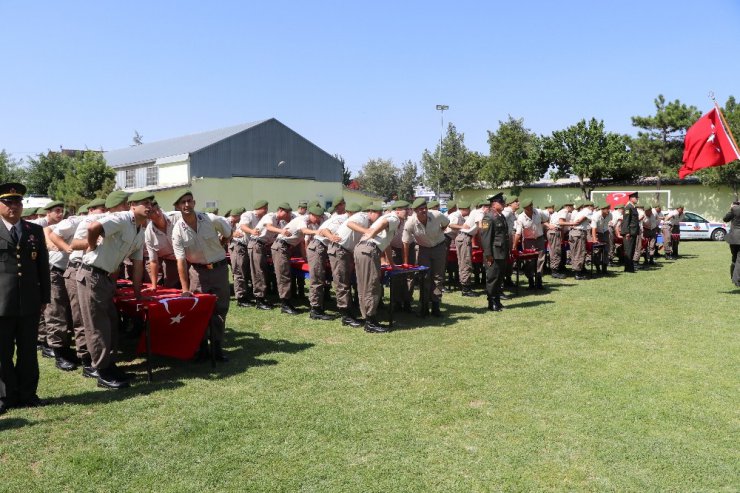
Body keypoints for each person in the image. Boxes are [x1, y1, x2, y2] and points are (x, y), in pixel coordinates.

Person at [76, 191, 152, 389]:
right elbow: (93, 227)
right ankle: (101, 371)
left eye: (151, 203)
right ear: (132, 205)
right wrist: (91, 246)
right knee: (98, 326)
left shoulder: (140, 230)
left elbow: (137, 266)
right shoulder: (121, 219)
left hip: (106, 278)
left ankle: (110, 365)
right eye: (145, 202)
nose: (149, 206)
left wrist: (137, 294)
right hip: (92, 274)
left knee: (111, 324)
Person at [0, 183, 51, 414]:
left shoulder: (34, 231)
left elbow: (42, 267)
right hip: (1, 303)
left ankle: (28, 394)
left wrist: (45, 297)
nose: (14, 206)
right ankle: (6, 397)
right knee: (2, 353)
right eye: (8, 202)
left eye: (18, 202)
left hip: (29, 302)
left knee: (29, 351)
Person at [48, 198, 106, 378]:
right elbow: (50, 233)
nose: (104, 213)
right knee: (58, 311)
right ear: (90, 210)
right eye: (101, 210)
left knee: (77, 315)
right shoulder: (76, 221)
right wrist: (67, 249)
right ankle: (59, 352)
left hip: (75, 270)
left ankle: (83, 356)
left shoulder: (104, 224)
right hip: (58, 269)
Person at [171, 191, 232, 362]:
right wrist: (184, 289)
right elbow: (180, 261)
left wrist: (220, 246)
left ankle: (217, 348)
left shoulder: (210, 219)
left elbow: (228, 233)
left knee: (220, 310)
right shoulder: (177, 231)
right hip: (197, 273)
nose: (187, 205)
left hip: (219, 269)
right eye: (182, 202)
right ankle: (202, 348)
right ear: (177, 207)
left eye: (189, 201)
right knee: (199, 310)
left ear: (194, 202)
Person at [355, 203, 402, 333]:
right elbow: (385, 222)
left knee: (364, 286)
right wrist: (373, 233)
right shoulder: (394, 218)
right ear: (397, 211)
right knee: (371, 285)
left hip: (363, 249)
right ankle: (370, 322)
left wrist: (391, 264)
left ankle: (368, 319)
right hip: (369, 250)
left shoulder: (390, 219)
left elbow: (386, 244)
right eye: (405, 210)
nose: (408, 212)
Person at [322, 203, 368, 327]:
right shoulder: (343, 218)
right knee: (342, 283)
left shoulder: (360, 220)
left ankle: (350, 311)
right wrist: (331, 236)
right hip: (339, 250)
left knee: (346, 282)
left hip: (346, 252)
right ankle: (346, 315)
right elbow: (324, 230)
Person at [403, 198, 450, 317]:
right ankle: (424, 307)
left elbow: (446, 223)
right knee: (425, 277)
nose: (424, 210)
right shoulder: (410, 223)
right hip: (423, 250)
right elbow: (406, 242)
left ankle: (435, 306)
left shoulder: (437, 215)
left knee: (438, 277)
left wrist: (439, 234)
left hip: (439, 247)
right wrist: (405, 261)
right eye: (421, 209)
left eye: (425, 208)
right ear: (415, 211)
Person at [251, 203, 293, 310]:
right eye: (286, 212)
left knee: (264, 272)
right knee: (258, 272)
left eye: (288, 213)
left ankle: (263, 298)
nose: (287, 215)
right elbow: (269, 227)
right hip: (256, 243)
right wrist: (282, 231)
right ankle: (259, 300)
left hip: (263, 246)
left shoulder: (280, 222)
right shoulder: (270, 216)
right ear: (280, 210)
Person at [480, 193, 508, 311]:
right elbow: (486, 238)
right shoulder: (488, 217)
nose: (503, 205)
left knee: (499, 277)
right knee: (492, 278)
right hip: (493, 254)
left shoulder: (501, 216)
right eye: (501, 203)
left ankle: (497, 300)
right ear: (494, 203)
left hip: (501, 252)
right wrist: (488, 255)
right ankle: (491, 302)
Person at [145, 200, 181, 289]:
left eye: (158, 209)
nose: (158, 213)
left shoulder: (177, 217)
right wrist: (154, 285)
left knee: (195, 289)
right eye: (153, 212)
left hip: (189, 258)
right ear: (148, 216)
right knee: (172, 288)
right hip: (171, 261)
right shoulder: (149, 234)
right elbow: (153, 261)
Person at [512, 198, 547, 289]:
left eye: (531, 206)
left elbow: (545, 220)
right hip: (528, 241)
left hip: (539, 238)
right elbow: (518, 233)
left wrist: (547, 227)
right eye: (528, 207)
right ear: (525, 208)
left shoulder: (539, 212)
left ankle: (539, 281)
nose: (531, 208)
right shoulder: (521, 217)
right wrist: (514, 246)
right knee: (529, 261)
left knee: (541, 260)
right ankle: (531, 281)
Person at [569, 200, 593, 280]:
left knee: (574, 252)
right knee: (579, 252)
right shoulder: (587, 211)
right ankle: (578, 273)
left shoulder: (581, 211)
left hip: (574, 232)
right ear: (590, 206)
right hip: (579, 233)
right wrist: (576, 223)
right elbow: (579, 221)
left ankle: (577, 270)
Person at [620, 192, 640, 272]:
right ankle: (628, 268)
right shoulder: (628, 207)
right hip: (629, 232)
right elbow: (626, 221)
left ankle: (630, 267)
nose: (637, 199)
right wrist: (627, 232)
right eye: (636, 198)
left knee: (631, 250)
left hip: (633, 231)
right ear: (631, 198)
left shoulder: (633, 207)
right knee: (628, 250)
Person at [590, 203, 611, 274]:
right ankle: (598, 268)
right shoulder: (596, 215)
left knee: (606, 250)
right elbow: (593, 228)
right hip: (597, 232)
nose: (608, 210)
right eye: (607, 209)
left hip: (605, 232)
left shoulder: (610, 215)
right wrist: (595, 239)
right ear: (602, 209)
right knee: (597, 251)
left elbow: (608, 223)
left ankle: (604, 269)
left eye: (609, 208)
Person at [723, 201, 740, 286]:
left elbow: (725, 219)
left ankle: (734, 279)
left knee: (734, 258)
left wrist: (731, 208)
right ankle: (736, 280)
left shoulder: (734, 209)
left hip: (733, 238)